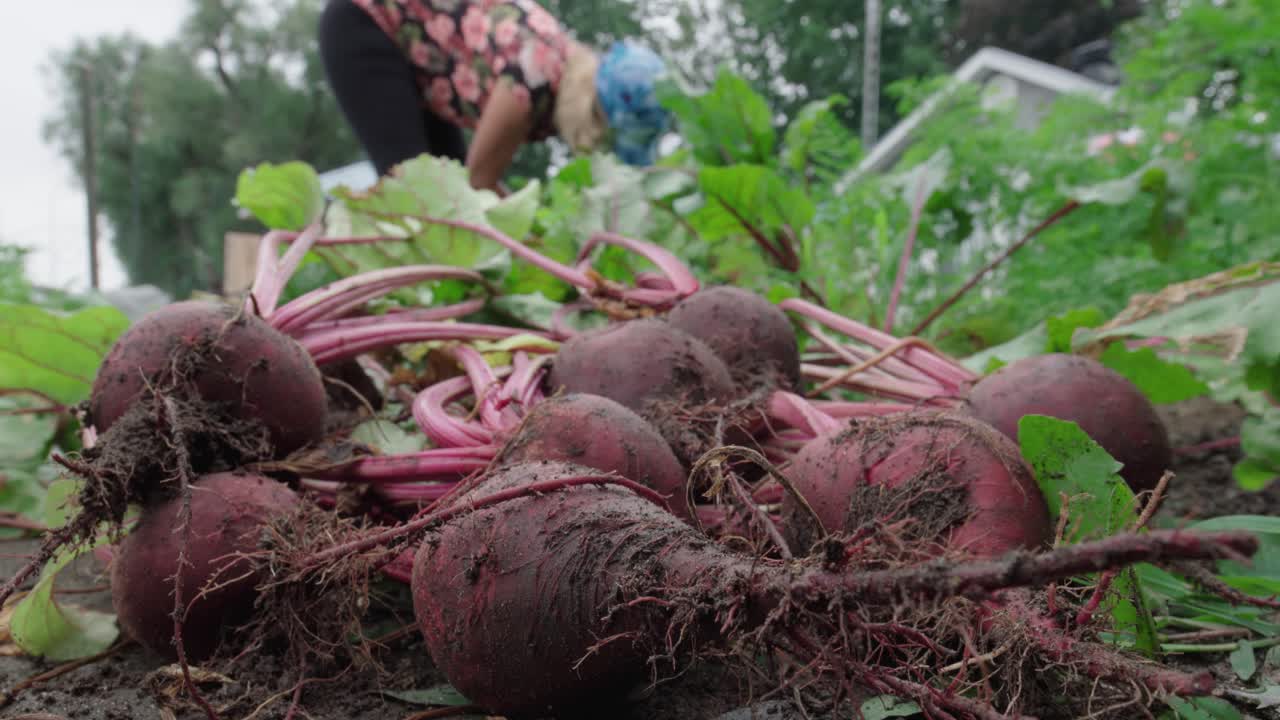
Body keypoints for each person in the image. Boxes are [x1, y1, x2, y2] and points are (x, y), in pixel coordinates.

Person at [318, 0, 672, 194]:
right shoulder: (532, 82)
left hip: (421, 66)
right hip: (366, 23)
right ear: (596, 119)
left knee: (442, 183)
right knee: (411, 194)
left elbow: (472, 183)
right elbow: (477, 184)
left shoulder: (555, 61)